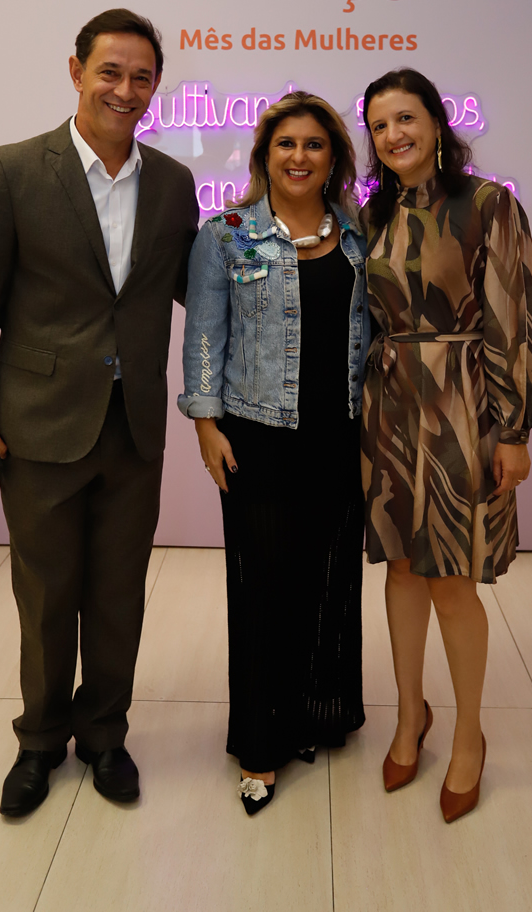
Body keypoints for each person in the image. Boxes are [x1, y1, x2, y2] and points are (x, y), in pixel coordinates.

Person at [0, 8, 198, 817]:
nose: (125, 89)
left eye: (141, 77)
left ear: (155, 86)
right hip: (38, 423)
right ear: (76, 71)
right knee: (47, 596)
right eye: (110, 72)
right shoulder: (11, 171)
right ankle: (40, 740)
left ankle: (104, 735)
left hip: (135, 427)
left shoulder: (173, 183)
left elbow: (190, 288)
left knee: (120, 595)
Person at [179, 91, 370, 815]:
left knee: (324, 582)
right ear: (264, 156)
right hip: (257, 437)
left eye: (314, 144)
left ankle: (311, 715)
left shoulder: (356, 235)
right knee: (263, 590)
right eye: (286, 143)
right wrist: (206, 422)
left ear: (334, 158)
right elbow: (205, 335)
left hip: (340, 436)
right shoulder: (226, 235)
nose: (299, 156)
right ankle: (260, 745)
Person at [360, 68, 532, 822]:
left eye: (405, 118)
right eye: (379, 126)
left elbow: (512, 316)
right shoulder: (373, 213)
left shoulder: (488, 205)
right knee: (402, 569)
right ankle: (411, 713)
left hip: (462, 407)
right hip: (387, 410)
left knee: (452, 579)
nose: (392, 135)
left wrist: (514, 428)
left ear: (436, 122)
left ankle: (469, 734)